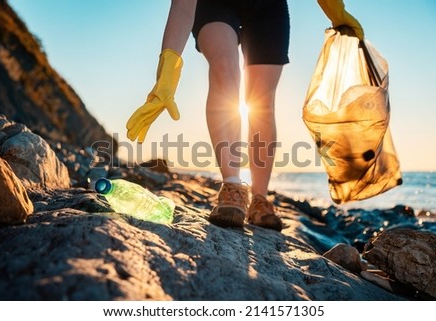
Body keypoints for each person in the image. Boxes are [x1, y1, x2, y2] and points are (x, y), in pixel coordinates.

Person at [126, 0, 363, 231]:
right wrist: (167, 72)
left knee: (262, 101)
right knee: (224, 70)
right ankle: (232, 185)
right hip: (215, 4)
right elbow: (183, 4)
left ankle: (259, 196)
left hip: (268, 7)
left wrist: (336, 11)